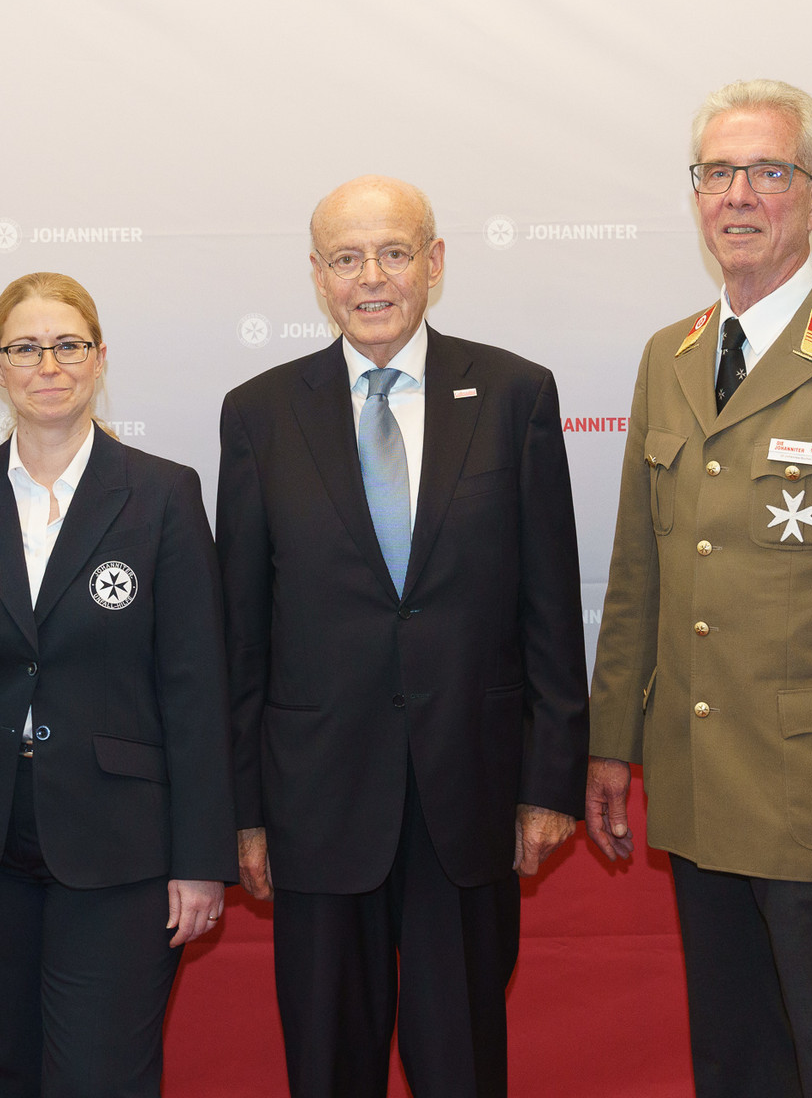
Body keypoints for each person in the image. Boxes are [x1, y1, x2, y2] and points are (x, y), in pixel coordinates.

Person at [584, 79, 812, 1097]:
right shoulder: (670, 356)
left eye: (768, 172)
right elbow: (639, 573)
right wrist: (612, 740)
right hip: (702, 786)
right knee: (740, 1067)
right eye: (717, 173)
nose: (739, 195)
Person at [217, 175, 588, 1098]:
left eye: (393, 253)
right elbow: (240, 633)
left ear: (435, 262)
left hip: (467, 795)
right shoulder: (260, 413)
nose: (371, 278)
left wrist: (550, 784)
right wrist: (244, 809)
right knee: (328, 1065)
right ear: (317, 275)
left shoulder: (515, 393)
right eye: (347, 258)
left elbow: (551, 603)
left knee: (460, 1061)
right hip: (314, 804)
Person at [0, 272, 236, 1098]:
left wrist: (201, 857)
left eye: (69, 344)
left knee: (100, 1078)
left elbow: (195, 688)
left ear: (100, 358)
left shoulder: (163, 495)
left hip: (122, 848)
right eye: (26, 347)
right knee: (2, 1074)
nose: (50, 364)